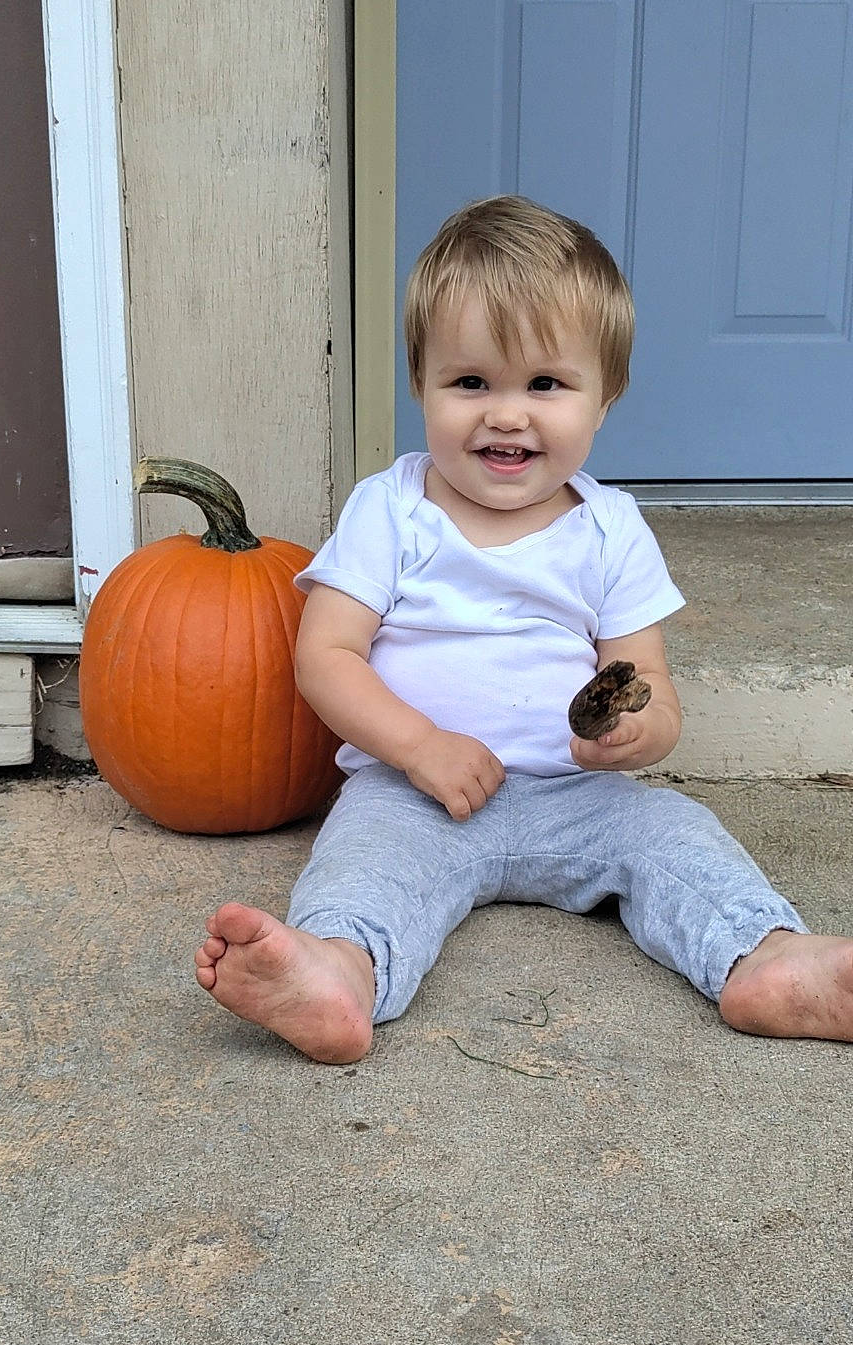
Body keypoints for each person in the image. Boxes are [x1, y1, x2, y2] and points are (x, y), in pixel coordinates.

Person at [196, 195, 853, 1062]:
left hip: (579, 798)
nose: (507, 413)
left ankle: (767, 961)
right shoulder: (390, 510)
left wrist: (636, 734)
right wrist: (419, 745)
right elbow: (325, 656)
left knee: (675, 838)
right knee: (364, 867)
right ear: (421, 386)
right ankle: (338, 974)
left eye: (545, 383)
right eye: (470, 382)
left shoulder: (610, 527)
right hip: (414, 791)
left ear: (604, 398)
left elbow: (643, 676)